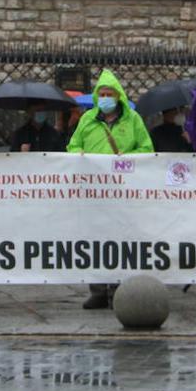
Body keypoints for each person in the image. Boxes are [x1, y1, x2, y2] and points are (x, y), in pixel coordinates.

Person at [67, 69, 154, 309]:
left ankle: (117, 287)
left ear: (118, 97)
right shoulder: (87, 119)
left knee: (119, 239)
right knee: (94, 239)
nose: (105, 98)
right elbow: (73, 146)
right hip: (93, 191)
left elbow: (147, 149)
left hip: (122, 192)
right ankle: (97, 290)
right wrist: (79, 155)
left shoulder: (133, 120)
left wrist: (127, 157)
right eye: (101, 93)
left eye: (109, 94)